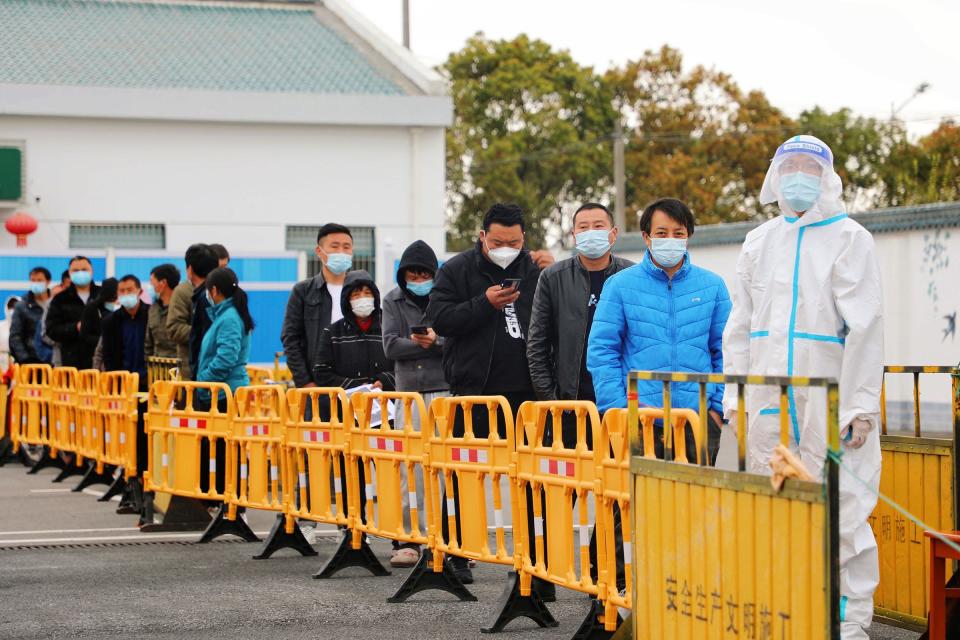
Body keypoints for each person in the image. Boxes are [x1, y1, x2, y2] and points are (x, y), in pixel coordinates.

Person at [722, 135, 883, 639]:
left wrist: (860, 406)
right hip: (768, 400)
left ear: (826, 177)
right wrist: (734, 396)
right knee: (772, 503)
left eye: (808, 168)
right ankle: (784, 613)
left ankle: (848, 624)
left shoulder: (848, 237)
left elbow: (866, 327)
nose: (797, 176)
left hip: (829, 398)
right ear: (774, 174)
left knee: (843, 509)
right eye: (787, 166)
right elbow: (741, 326)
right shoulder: (759, 241)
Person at [427, 202, 543, 585]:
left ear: (523, 238)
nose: (505, 247)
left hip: (528, 393)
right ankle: (457, 554)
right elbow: (440, 319)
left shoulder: (539, 270)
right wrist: (483, 304)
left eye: (512, 241)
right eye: (497, 241)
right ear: (483, 237)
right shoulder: (458, 269)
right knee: (465, 475)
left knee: (533, 479)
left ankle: (534, 558)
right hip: (475, 391)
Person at [588, 198, 730, 464]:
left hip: (697, 419)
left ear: (688, 236)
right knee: (637, 503)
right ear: (646, 236)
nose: (670, 240)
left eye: (678, 233)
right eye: (662, 233)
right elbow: (602, 351)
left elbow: (725, 349)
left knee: (694, 503)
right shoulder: (619, 286)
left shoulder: (713, 286)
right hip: (639, 419)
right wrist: (618, 410)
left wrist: (716, 410)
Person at [527, 202, 633, 410]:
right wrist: (551, 400)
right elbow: (537, 345)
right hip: (570, 404)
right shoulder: (553, 277)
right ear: (574, 235)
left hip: (621, 403)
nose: (591, 232)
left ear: (613, 233)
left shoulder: (632, 276)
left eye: (599, 226)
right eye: (584, 227)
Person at [381, 240, 447, 567]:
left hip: (443, 390)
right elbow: (390, 346)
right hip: (408, 393)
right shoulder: (391, 300)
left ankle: (446, 540)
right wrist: (428, 344)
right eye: (413, 274)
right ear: (403, 275)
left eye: (424, 273)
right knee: (412, 470)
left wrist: (437, 341)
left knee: (445, 469)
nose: (418, 279)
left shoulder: (445, 297)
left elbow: (455, 341)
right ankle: (410, 540)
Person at [281, 223, 354, 389]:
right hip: (317, 387)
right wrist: (305, 382)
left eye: (346, 247)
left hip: (356, 388)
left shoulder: (362, 290)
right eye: (334, 246)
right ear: (319, 251)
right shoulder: (303, 291)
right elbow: (290, 339)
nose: (341, 252)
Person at [312, 270, 395, 392]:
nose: (363, 298)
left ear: (375, 297)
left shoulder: (390, 327)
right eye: (356, 295)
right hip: (345, 406)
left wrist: (383, 381)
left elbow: (404, 367)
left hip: (385, 404)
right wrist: (354, 386)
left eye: (368, 293)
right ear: (347, 300)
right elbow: (321, 372)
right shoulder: (332, 333)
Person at [195, 267, 254, 395]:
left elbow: (226, 358)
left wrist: (203, 380)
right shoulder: (225, 315)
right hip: (223, 390)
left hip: (225, 393)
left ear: (214, 291)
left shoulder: (229, 318)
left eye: (208, 290)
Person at [167, 244, 219, 380]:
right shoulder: (183, 292)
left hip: (208, 370)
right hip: (193, 368)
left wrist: (205, 333)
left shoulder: (216, 292)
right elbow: (175, 328)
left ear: (189, 269)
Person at [44, 256, 102, 369]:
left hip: (100, 363)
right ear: (69, 274)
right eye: (76, 270)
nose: (80, 273)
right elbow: (51, 330)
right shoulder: (60, 299)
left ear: (92, 271)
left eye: (84, 269)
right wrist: (76, 327)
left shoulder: (103, 295)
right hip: (71, 364)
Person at [101, 275, 149, 390]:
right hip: (121, 381)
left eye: (130, 290)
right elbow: (107, 354)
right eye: (122, 291)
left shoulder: (150, 315)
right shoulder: (110, 321)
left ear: (140, 291)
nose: (126, 294)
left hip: (146, 380)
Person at [9, 267, 51, 365]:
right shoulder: (22, 306)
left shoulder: (56, 303)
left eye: (39, 280)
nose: (36, 283)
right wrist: (24, 359)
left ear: (48, 281)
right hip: (31, 361)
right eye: (33, 280)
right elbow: (15, 336)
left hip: (53, 360)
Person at [145, 263, 181, 361]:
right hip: (157, 367)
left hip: (178, 368)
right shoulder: (153, 309)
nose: (150, 286)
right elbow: (148, 343)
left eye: (152, 281)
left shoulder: (182, 307)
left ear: (163, 283)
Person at [82, 278, 118, 372]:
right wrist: (105, 341)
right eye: (113, 297)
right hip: (97, 357)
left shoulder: (120, 309)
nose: (115, 301)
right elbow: (84, 335)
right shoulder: (92, 309)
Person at [0, 296, 20, 370]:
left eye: (15, 307)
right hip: (2, 363)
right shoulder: (1, 326)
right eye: (10, 307)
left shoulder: (25, 328)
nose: (12, 310)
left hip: (19, 363)